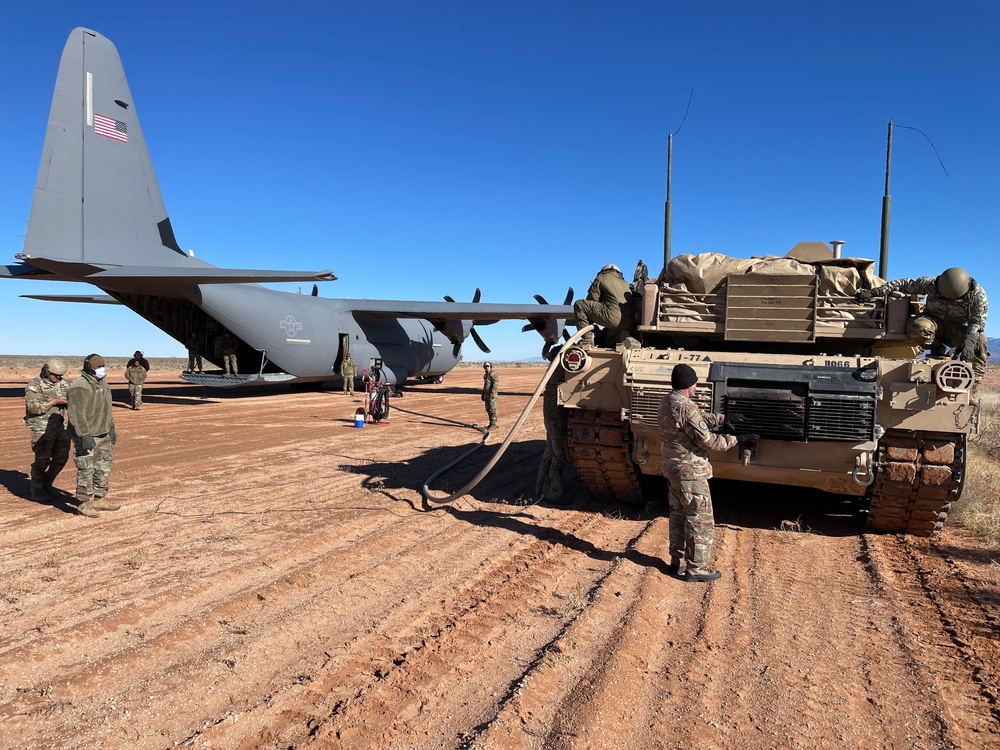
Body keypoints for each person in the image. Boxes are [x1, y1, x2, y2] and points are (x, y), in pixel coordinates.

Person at [658, 364, 755, 583]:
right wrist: (737, 439)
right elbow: (709, 440)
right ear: (689, 385)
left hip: (672, 470)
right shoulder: (687, 407)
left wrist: (721, 419)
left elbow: (695, 421)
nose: (696, 386)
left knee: (678, 516)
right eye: (695, 383)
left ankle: (676, 561)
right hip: (691, 473)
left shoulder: (667, 401)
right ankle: (696, 568)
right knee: (699, 520)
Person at [856, 267, 989, 386]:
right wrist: (875, 292)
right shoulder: (931, 283)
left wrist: (969, 343)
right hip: (933, 321)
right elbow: (904, 284)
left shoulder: (978, 295)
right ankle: (937, 347)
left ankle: (972, 387)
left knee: (979, 344)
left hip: (956, 328)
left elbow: (976, 322)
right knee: (917, 328)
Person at [67, 354, 118, 518]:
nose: (102, 369)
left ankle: (99, 498)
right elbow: (76, 414)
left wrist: (111, 428)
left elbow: (107, 409)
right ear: (89, 368)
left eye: (103, 366)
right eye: (98, 367)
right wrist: (84, 435)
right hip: (87, 435)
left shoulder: (103, 384)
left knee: (103, 467)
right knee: (86, 470)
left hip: (103, 434)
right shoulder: (80, 386)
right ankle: (84, 503)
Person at [23, 358, 72, 502]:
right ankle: (37, 491)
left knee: (61, 458)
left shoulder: (64, 384)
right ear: (46, 371)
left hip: (60, 427)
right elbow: (32, 408)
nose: (58, 378)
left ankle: (47, 484)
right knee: (42, 460)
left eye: (60, 375)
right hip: (42, 429)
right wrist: (54, 402)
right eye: (55, 375)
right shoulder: (35, 385)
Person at [573, 263, 636, 349]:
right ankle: (622, 336)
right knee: (606, 341)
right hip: (629, 324)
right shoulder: (627, 284)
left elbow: (592, 301)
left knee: (579, 305)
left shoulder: (602, 277)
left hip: (612, 318)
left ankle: (586, 341)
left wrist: (588, 323)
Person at [535, 352, 569, 504]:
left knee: (549, 451)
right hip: (556, 418)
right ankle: (553, 492)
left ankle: (540, 488)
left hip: (551, 416)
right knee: (559, 454)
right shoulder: (561, 369)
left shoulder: (552, 370)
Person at [482, 361, 499, 429]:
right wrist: (483, 393)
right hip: (487, 394)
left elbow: (495, 384)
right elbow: (485, 385)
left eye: (488, 366)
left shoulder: (493, 374)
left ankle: (493, 424)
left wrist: (492, 393)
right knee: (488, 409)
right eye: (485, 366)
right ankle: (491, 423)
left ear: (490, 367)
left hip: (492, 395)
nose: (486, 367)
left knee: (492, 409)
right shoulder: (486, 375)